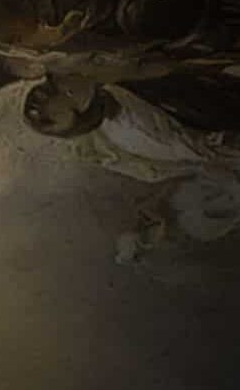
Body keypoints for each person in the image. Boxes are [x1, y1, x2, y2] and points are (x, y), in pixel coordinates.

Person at [22, 77, 240, 260]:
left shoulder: (115, 106)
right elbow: (192, 145)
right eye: (66, 94)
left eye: (54, 89)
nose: (64, 86)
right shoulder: (134, 129)